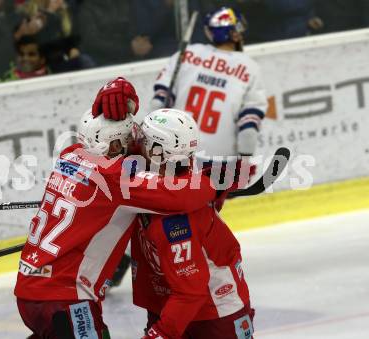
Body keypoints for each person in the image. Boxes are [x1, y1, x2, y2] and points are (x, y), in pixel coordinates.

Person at [14, 77, 217, 338]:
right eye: (130, 136)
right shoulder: (116, 178)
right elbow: (181, 197)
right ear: (114, 145)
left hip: (30, 292)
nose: (137, 141)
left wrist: (125, 98)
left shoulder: (70, 155)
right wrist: (214, 181)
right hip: (66, 298)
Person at [130, 109, 254, 339]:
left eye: (144, 141)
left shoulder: (176, 218)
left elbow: (191, 292)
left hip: (211, 314)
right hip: (171, 305)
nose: (136, 144)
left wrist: (160, 334)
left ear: (157, 151)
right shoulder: (171, 181)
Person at [148, 6, 268, 191]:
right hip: (220, 163)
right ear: (234, 34)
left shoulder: (187, 54)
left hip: (177, 154)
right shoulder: (249, 68)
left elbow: (158, 104)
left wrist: (151, 145)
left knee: (175, 211)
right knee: (212, 215)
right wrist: (244, 160)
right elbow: (248, 128)